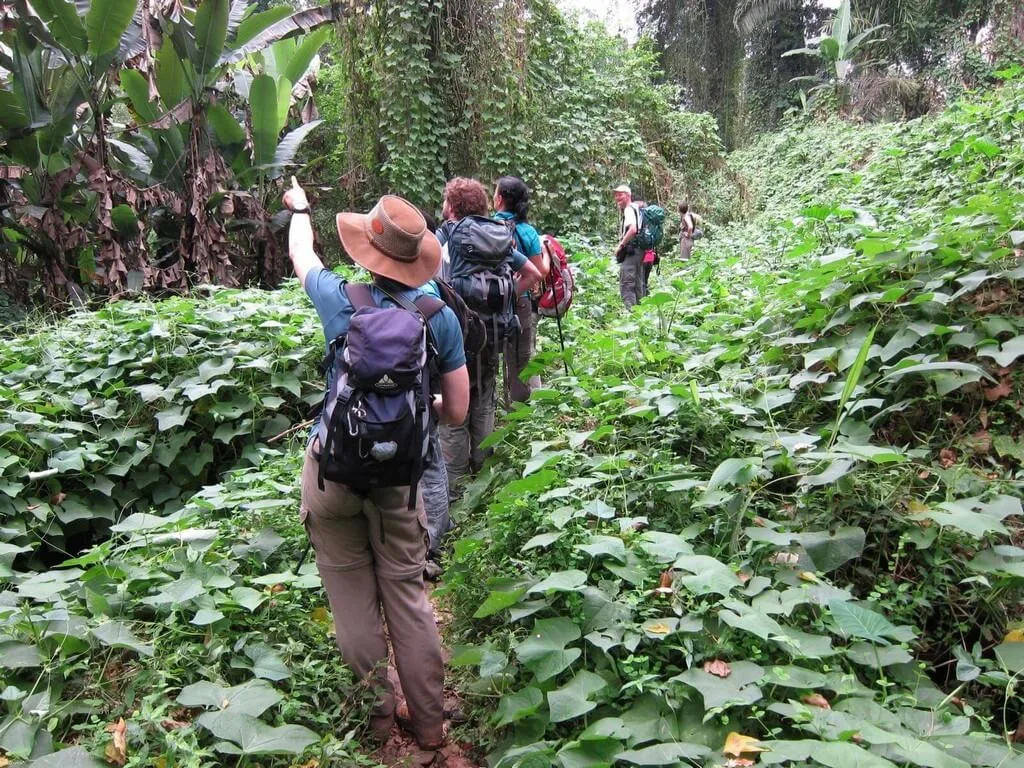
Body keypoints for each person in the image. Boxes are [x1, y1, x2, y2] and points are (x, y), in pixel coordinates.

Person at [283, 178, 469, 751]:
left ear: (369, 248)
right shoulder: (438, 315)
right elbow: (457, 412)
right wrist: (415, 401)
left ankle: (378, 720)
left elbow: (300, 253)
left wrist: (301, 207)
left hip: (333, 472)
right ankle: (433, 724)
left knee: (350, 600)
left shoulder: (341, 298)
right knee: (408, 598)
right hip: (400, 482)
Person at [436, 177, 541, 493]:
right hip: (493, 333)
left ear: (452, 206)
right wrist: (508, 300)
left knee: (456, 403)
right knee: (484, 397)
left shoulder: (446, 238)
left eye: (445, 202)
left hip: (457, 337)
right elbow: (533, 273)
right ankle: (483, 476)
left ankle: (455, 486)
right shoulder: (498, 235)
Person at [493, 176, 548, 403]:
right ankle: (519, 413)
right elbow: (539, 271)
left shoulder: (486, 227)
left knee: (492, 359)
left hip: (489, 301)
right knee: (521, 360)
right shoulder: (527, 232)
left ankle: (499, 405)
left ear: (500, 199)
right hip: (521, 301)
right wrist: (545, 252)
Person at [613, 183, 643, 309]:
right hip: (639, 251)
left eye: (620, 195)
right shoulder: (637, 208)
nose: (617, 198)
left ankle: (631, 314)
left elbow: (633, 229)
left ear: (628, 195)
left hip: (632, 251)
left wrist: (621, 245)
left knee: (627, 283)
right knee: (637, 283)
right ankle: (640, 313)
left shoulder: (629, 209)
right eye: (616, 195)